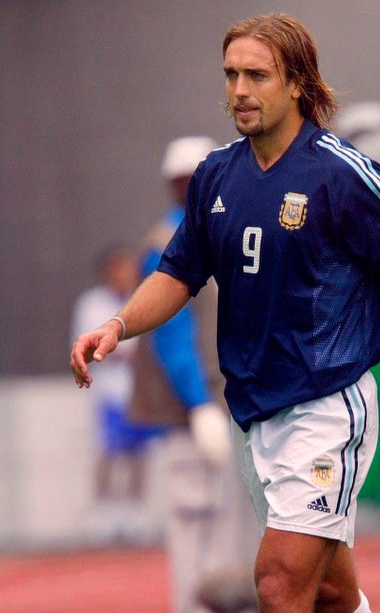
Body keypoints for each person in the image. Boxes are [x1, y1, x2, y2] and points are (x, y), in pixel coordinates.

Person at [70, 13, 380, 613]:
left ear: (297, 83)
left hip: (327, 407)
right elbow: (176, 275)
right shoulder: (215, 176)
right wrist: (117, 326)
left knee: (278, 582)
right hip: (252, 412)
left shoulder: (344, 174)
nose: (239, 90)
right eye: (231, 75)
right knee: (329, 595)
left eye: (257, 75)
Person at [128, 136, 259, 613]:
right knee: (198, 518)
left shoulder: (221, 232)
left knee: (231, 520)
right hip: (192, 414)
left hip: (227, 404)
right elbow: (171, 334)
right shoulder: (167, 243)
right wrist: (199, 405)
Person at [70, 244, 163, 545]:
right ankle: (103, 512)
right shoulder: (93, 304)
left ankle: (134, 511)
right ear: (110, 271)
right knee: (108, 454)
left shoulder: (139, 299)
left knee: (140, 455)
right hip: (110, 392)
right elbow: (93, 346)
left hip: (138, 391)